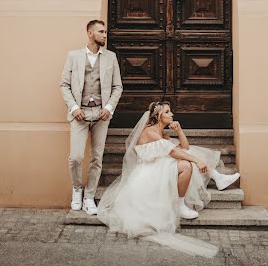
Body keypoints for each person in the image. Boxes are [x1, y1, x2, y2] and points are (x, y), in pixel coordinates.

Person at [97, 100, 240, 257]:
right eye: (167, 112)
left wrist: (179, 131)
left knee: (189, 155)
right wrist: (197, 161)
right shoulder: (150, 131)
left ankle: (217, 177)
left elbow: (185, 147)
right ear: (158, 116)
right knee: (187, 164)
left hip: (160, 167)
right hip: (149, 174)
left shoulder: (162, 133)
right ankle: (180, 204)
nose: (171, 114)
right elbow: (173, 152)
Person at [60, 19, 123, 215]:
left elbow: (117, 86)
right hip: (80, 113)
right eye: (101, 32)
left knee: (97, 158)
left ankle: (89, 197)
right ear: (90, 33)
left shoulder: (111, 57)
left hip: (101, 115)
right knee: (76, 157)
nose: (105, 35)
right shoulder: (74, 56)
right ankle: (77, 190)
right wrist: (73, 107)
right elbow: (64, 85)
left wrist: (109, 107)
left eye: (105, 32)